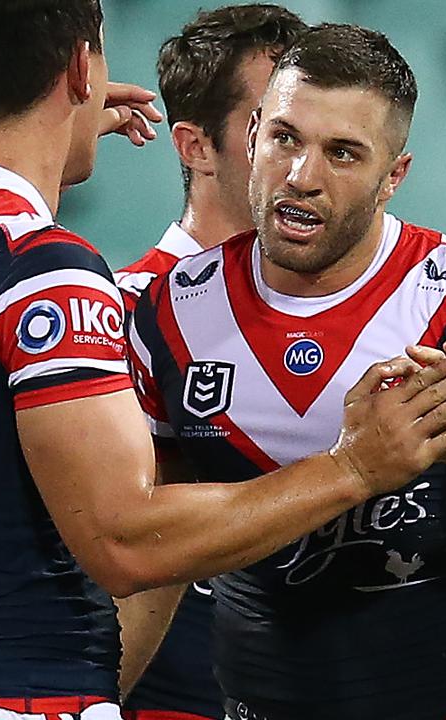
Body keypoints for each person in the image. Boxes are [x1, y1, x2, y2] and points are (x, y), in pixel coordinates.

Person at [0, 2, 446, 717]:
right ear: (81, 68)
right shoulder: (47, 272)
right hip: (23, 689)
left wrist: (47, 111)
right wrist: (353, 466)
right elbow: (122, 543)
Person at [127, 23, 446, 720]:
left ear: (392, 176)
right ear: (250, 142)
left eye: (342, 153)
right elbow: (146, 556)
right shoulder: (169, 316)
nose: (302, 177)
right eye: (284, 138)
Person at [112, 6, 308, 720]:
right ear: (194, 146)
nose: (302, 158)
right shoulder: (118, 317)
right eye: (272, 127)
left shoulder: (391, 313)